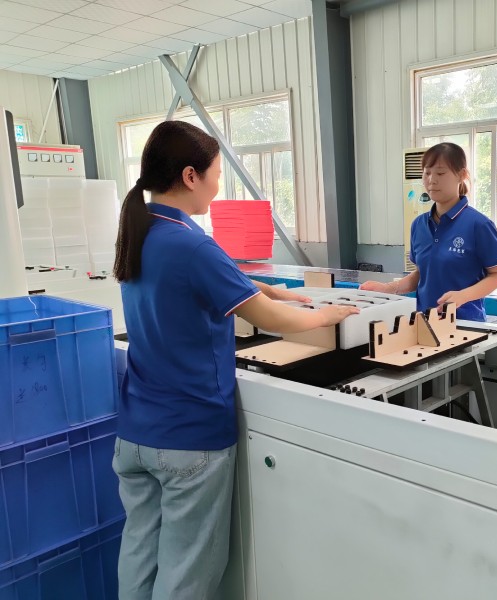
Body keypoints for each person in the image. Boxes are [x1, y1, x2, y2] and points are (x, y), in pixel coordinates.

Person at [111, 120, 358, 600]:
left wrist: (276, 289)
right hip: (190, 438)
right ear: (190, 176)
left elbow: (219, 278)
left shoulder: (142, 233)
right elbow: (270, 319)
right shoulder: (191, 244)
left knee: (139, 556)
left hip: (136, 433)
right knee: (186, 574)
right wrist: (325, 314)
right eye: (216, 173)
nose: (218, 185)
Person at [361, 142, 497, 321]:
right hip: (423, 323)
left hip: (466, 325)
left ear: (461, 175)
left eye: (440, 173)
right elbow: (421, 274)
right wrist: (388, 289)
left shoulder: (479, 225)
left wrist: (463, 296)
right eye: (427, 173)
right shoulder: (418, 225)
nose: (432, 180)